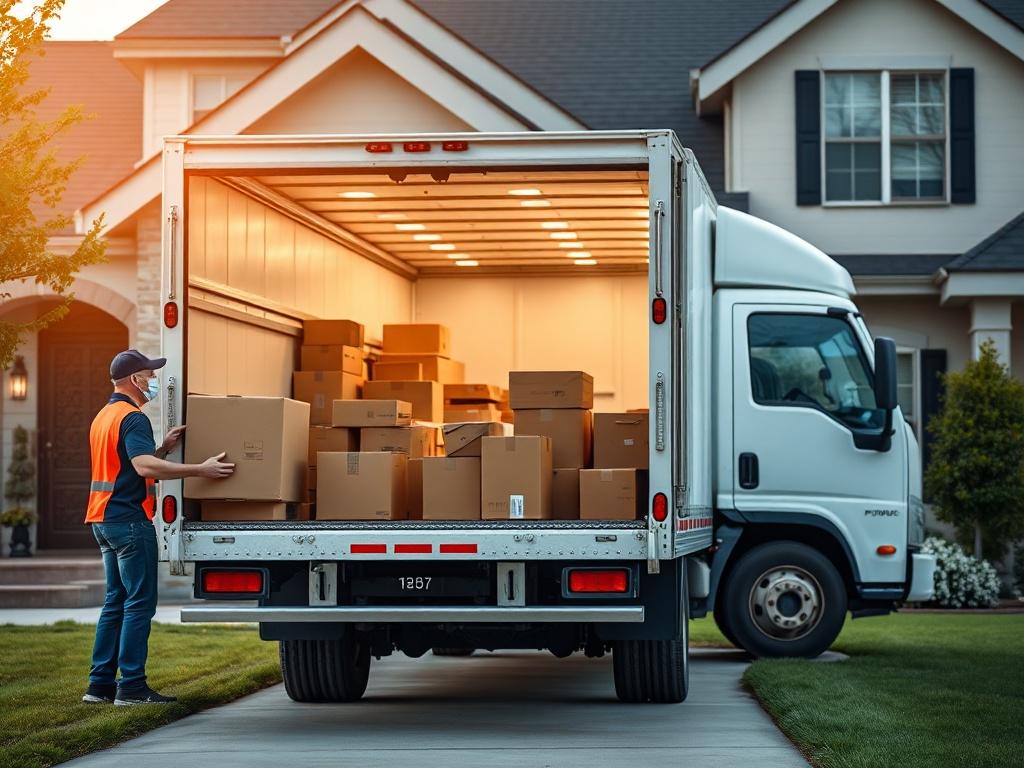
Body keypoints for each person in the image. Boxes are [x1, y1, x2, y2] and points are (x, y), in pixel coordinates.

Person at [82, 349, 234, 706]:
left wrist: (163, 448)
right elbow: (143, 468)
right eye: (149, 375)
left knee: (115, 601)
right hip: (129, 522)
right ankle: (132, 687)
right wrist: (200, 470)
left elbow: (130, 464)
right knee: (139, 603)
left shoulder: (104, 416)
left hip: (103, 520)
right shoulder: (133, 418)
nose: (153, 380)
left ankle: (99, 686)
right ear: (134, 379)